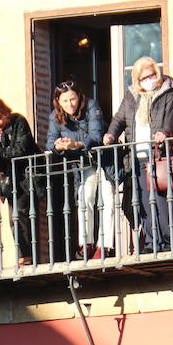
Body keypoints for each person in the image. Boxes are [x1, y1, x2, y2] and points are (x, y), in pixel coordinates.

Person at [103, 56, 173, 254]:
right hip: (136, 156)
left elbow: (171, 116)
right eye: (144, 77)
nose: (150, 79)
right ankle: (150, 242)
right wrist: (111, 133)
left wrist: (164, 131)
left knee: (161, 200)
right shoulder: (132, 95)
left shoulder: (168, 90)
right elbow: (120, 117)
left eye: (153, 74)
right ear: (137, 80)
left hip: (157, 154)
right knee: (144, 202)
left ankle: (165, 242)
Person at [0, 96, 40, 267]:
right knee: (14, 217)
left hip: (27, 176)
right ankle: (24, 256)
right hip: (9, 180)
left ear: (5, 112)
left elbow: (22, 148)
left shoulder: (19, 121)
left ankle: (27, 257)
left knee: (20, 213)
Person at [45, 81, 104, 262]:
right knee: (83, 199)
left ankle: (103, 246)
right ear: (58, 101)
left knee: (102, 201)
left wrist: (76, 144)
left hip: (99, 160)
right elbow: (50, 142)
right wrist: (57, 145)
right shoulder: (55, 116)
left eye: (73, 99)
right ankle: (86, 244)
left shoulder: (91, 107)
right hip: (78, 166)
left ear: (79, 97)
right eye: (64, 101)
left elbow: (96, 135)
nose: (70, 104)